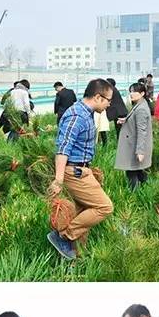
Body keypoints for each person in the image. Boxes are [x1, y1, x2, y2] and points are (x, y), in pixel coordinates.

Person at [47, 78, 115, 260]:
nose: (109, 104)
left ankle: (76, 256)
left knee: (83, 211)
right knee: (104, 207)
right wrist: (59, 179)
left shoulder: (86, 113)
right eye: (108, 100)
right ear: (98, 97)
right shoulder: (77, 115)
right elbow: (63, 148)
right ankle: (64, 237)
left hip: (82, 170)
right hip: (74, 172)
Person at [114, 82, 153, 190]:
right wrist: (126, 120)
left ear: (142, 93)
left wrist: (140, 151)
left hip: (134, 146)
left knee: (132, 172)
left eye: (135, 91)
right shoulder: (140, 105)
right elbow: (136, 121)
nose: (131, 94)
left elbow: (142, 131)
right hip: (133, 144)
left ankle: (135, 194)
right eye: (131, 91)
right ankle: (145, 191)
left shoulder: (140, 109)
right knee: (138, 171)